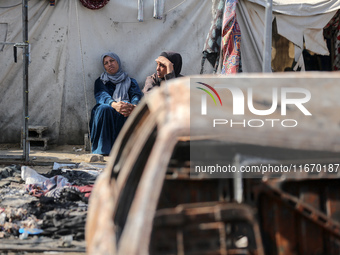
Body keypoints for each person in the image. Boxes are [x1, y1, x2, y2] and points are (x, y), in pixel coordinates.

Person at [89, 52, 142, 155]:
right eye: (106, 63)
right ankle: (103, 150)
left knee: (126, 107)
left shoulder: (130, 81)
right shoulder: (101, 81)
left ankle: (124, 150)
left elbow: (136, 96)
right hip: (107, 107)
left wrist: (133, 106)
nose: (109, 64)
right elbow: (101, 95)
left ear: (118, 62)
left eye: (112, 61)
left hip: (124, 108)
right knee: (104, 109)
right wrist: (114, 104)